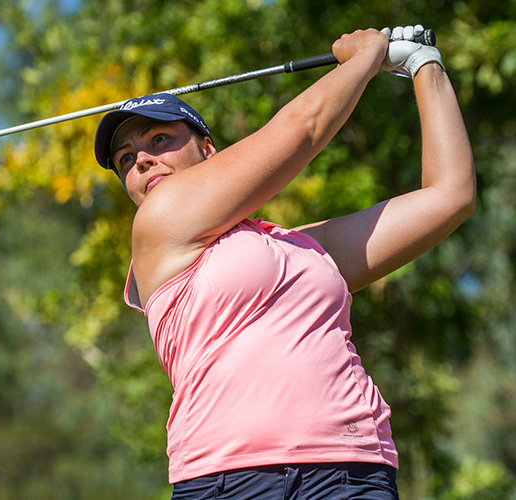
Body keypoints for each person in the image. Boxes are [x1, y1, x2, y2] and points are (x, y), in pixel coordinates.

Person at [93, 26, 475, 499]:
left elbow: (448, 196)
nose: (142, 161)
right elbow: (303, 128)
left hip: (351, 470)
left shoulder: (304, 251)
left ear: (207, 148)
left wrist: (424, 64)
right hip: (229, 478)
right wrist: (367, 56)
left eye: (158, 139)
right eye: (126, 159)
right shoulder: (158, 225)